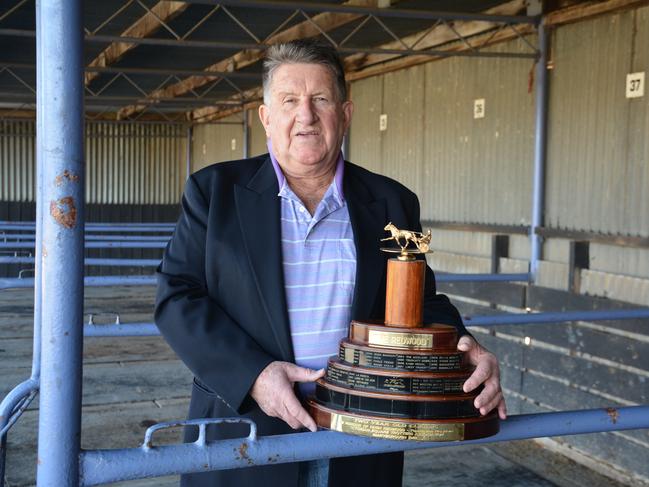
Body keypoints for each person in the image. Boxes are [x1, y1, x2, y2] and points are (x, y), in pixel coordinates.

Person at [155, 39, 506, 487]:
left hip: (360, 434)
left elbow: (420, 302)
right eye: (289, 101)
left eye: (320, 99)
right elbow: (176, 295)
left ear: (345, 113)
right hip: (242, 433)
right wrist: (254, 376)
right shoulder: (214, 193)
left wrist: (462, 344)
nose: (305, 115)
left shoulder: (393, 203)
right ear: (266, 117)